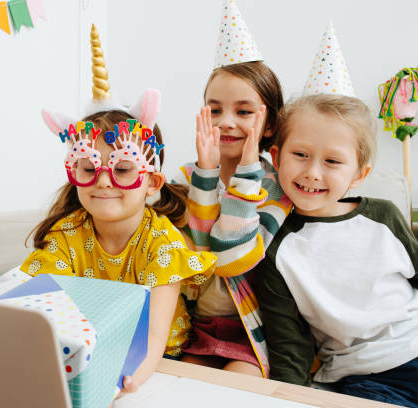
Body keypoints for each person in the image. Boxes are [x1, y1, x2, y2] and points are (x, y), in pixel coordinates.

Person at [21, 94, 216, 393]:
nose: (103, 180)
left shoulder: (162, 243)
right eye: (89, 168)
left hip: (162, 358)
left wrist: (125, 380)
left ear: (152, 183)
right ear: (75, 173)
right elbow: (43, 310)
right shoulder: (66, 236)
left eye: (122, 169)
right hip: (88, 352)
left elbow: (153, 337)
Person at [254, 93, 418, 407]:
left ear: (359, 174)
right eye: (301, 154)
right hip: (366, 377)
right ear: (276, 157)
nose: (313, 172)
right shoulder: (273, 247)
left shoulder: (383, 217)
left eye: (332, 161)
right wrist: (290, 399)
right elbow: (289, 343)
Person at [178, 60, 291, 378]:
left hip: (250, 332)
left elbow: (230, 258)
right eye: (214, 110)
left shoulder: (278, 188)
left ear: (269, 124)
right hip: (199, 328)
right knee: (186, 384)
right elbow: (201, 257)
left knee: (239, 385)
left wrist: (246, 171)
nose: (226, 122)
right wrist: (207, 174)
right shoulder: (190, 177)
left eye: (243, 112)